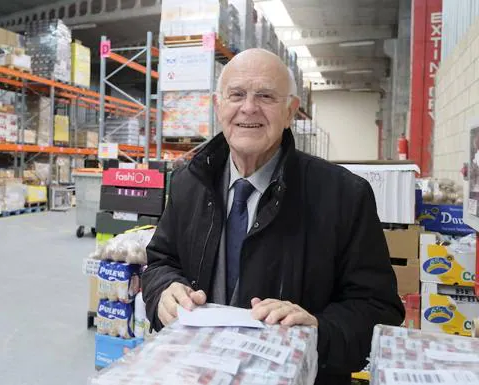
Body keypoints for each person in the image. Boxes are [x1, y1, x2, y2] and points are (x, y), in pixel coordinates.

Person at [141, 48, 404, 385]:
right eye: (236, 95)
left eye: (265, 95)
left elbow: (379, 309)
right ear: (217, 106)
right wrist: (164, 291)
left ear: (290, 111)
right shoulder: (188, 183)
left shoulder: (344, 196)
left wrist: (319, 331)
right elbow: (161, 261)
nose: (248, 108)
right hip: (198, 373)